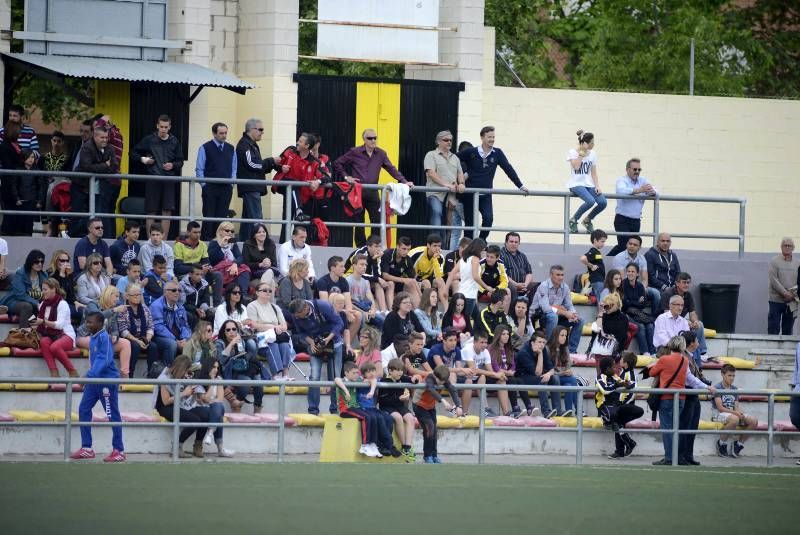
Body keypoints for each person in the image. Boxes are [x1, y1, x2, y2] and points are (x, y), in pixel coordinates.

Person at [334, 128, 414, 246]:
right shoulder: (355, 152)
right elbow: (337, 163)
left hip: (373, 192)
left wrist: (403, 181)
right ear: (364, 140)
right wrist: (347, 177)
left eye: (375, 138)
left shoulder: (381, 153)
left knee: (377, 220)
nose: (373, 140)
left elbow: (391, 168)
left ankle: (374, 246)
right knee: (359, 222)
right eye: (369, 138)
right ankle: (360, 248)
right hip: (358, 192)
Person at [646, 335, 713, 465]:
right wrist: (707, 387)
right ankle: (676, 456)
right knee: (676, 428)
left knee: (667, 429)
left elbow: (652, 373)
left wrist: (653, 365)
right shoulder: (685, 361)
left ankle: (670, 458)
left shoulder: (664, 359)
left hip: (666, 397)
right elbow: (692, 380)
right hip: (681, 399)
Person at [69, 311, 126, 463]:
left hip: (106, 382)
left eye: (91, 322)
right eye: (86, 322)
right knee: (83, 409)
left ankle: (119, 450)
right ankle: (87, 448)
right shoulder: (94, 338)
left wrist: (87, 377)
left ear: (100, 324)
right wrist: (90, 378)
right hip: (95, 382)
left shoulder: (104, 338)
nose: (88, 324)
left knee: (112, 414)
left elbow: (104, 360)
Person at [457, 126, 528, 240]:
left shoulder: (497, 153)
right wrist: (462, 174)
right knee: (469, 224)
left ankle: (481, 242)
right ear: (482, 137)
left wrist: (520, 185)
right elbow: (454, 159)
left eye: (493, 137)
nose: (492, 139)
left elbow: (508, 169)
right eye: (489, 137)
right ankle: (467, 250)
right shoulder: (472, 152)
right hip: (470, 194)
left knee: (488, 219)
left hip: (485, 195)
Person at [131, 114, 184, 238]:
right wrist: (144, 159)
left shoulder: (175, 141)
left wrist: (173, 165)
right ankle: (151, 240)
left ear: (170, 127)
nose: (163, 129)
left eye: (166, 127)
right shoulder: (149, 139)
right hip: (153, 178)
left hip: (168, 179)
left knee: (167, 210)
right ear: (157, 126)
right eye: (161, 127)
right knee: (151, 210)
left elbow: (180, 161)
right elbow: (132, 153)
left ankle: (163, 241)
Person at [289, 298, 344, 415]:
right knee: (314, 377)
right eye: (295, 316)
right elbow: (300, 332)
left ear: (305, 308)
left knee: (335, 377)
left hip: (334, 342)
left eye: (299, 315)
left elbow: (339, 323)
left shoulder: (323, 306)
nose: (297, 318)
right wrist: (312, 342)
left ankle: (335, 409)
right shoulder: (295, 315)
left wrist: (328, 338)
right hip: (315, 344)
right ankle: (313, 410)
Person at [153, 355, 210, 458]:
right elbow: (166, 402)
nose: (186, 373)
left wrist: (193, 394)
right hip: (165, 408)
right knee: (195, 421)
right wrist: (184, 393)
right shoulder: (164, 377)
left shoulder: (181, 376)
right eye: (186, 370)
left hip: (180, 404)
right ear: (181, 368)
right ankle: (176, 447)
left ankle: (198, 445)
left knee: (206, 414)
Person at [235, 118, 280, 242]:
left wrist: (273, 165)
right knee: (256, 218)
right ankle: (260, 243)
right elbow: (252, 164)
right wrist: (271, 161)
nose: (262, 132)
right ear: (251, 129)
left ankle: (243, 243)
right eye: (260, 129)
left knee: (247, 219)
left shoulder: (251, 144)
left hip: (252, 186)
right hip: (251, 187)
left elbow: (257, 166)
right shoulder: (245, 144)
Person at [76, 286, 132, 377]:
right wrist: (113, 310)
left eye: (118, 297)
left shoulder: (113, 308)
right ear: (109, 295)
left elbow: (115, 329)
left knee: (126, 343)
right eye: (116, 296)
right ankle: (93, 374)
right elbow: (96, 318)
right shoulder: (92, 304)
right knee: (99, 340)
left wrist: (115, 335)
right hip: (84, 337)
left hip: (104, 339)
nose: (117, 299)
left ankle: (125, 375)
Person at [596, 355, 643, 459]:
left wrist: (627, 384)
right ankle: (625, 446)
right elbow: (605, 390)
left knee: (639, 411)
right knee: (616, 418)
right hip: (604, 406)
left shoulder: (615, 376)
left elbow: (627, 384)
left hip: (616, 406)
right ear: (607, 368)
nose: (615, 368)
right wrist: (617, 385)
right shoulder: (600, 377)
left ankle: (624, 448)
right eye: (613, 367)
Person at [413, 365, 463, 463]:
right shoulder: (430, 378)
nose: (442, 383)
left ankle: (434, 455)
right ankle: (427, 455)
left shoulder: (443, 379)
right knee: (429, 429)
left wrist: (458, 406)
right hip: (419, 406)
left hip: (430, 407)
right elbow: (431, 389)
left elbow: (452, 390)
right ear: (435, 376)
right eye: (440, 381)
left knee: (434, 430)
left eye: (444, 381)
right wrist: (443, 401)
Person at [247, 280, 296, 380]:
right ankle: (276, 374)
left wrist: (278, 328)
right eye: (265, 290)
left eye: (270, 290)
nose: (268, 292)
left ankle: (285, 373)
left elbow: (284, 325)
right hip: (261, 338)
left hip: (276, 335)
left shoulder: (275, 307)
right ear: (257, 292)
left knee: (284, 344)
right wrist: (273, 327)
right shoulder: (252, 306)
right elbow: (254, 325)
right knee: (272, 345)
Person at [424, 130, 465, 250]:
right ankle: (434, 248)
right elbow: (431, 173)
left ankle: (445, 249)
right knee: (436, 217)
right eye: (446, 140)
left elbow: (460, 173)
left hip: (451, 195)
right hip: (435, 193)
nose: (449, 142)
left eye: (451, 140)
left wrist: (461, 183)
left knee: (451, 224)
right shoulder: (431, 155)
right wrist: (446, 184)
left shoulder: (455, 158)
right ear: (438, 142)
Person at [196, 122, 237, 240]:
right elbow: (199, 169)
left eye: (225, 133)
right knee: (208, 217)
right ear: (214, 133)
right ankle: (206, 243)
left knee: (221, 218)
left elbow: (234, 168)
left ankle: (219, 243)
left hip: (226, 188)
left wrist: (231, 184)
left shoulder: (230, 148)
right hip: (210, 188)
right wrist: (205, 186)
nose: (224, 136)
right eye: (221, 133)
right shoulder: (205, 147)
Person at [609, 158, 657, 257]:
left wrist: (652, 192)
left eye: (639, 170)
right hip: (622, 219)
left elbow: (656, 191)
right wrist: (639, 190)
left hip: (636, 220)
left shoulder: (643, 180)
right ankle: (607, 259)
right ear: (627, 169)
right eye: (634, 169)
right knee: (624, 245)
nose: (637, 172)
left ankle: (608, 259)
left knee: (633, 246)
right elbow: (622, 191)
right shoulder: (621, 180)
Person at [78, 126, 120, 239]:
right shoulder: (87, 147)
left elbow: (115, 166)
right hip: (82, 186)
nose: (105, 140)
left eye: (106, 137)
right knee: (84, 214)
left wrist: (98, 167)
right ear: (95, 136)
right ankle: (76, 234)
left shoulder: (110, 148)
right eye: (102, 137)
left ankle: (106, 238)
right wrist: (105, 165)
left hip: (102, 186)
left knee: (103, 213)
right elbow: (86, 167)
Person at [335, 361, 382, 458]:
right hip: (345, 409)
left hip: (355, 408)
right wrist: (346, 390)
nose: (357, 375)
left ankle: (372, 444)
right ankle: (364, 445)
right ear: (346, 373)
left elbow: (373, 380)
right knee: (365, 417)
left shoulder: (358, 380)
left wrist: (372, 391)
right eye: (354, 373)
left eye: (357, 372)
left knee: (372, 416)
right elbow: (336, 379)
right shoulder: (343, 380)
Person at [216, 319, 265, 413]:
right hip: (229, 372)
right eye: (228, 330)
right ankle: (237, 404)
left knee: (258, 382)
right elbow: (221, 361)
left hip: (242, 369)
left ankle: (257, 408)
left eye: (234, 329)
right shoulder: (220, 343)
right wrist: (231, 343)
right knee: (245, 382)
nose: (231, 332)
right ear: (224, 332)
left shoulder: (241, 341)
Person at [533, 265, 584, 353]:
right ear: (551, 275)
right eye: (558, 275)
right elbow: (546, 308)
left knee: (580, 320)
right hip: (542, 317)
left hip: (558, 316)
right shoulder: (543, 286)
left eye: (562, 275)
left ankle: (571, 351)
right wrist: (564, 312)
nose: (560, 277)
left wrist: (573, 314)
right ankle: (549, 348)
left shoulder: (565, 287)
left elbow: (569, 305)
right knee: (552, 316)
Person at [660, 272, 708, 365]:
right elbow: (667, 314)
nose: (687, 285)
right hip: (667, 322)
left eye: (688, 283)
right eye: (684, 282)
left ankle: (701, 352)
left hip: (681, 321)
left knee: (700, 325)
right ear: (677, 283)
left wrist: (695, 321)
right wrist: (685, 322)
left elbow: (692, 313)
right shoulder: (668, 293)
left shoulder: (688, 295)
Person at [34, 278, 78, 378]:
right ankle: (54, 373)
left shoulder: (63, 304)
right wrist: (34, 324)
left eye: (45, 289)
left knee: (54, 347)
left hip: (65, 335)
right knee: (44, 342)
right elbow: (40, 323)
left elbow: (60, 325)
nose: (43, 292)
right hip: (50, 335)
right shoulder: (42, 304)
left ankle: (72, 372)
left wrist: (44, 322)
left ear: (53, 289)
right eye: (42, 289)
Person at [712, 363, 758, 458]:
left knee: (754, 421)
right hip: (718, 414)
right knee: (734, 419)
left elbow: (736, 407)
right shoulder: (717, 388)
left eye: (733, 376)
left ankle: (738, 444)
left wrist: (740, 413)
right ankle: (721, 443)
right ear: (722, 374)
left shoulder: (734, 389)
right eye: (729, 375)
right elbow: (720, 408)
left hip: (732, 414)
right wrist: (736, 414)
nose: (732, 378)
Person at [174, 220, 222, 306]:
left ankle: (216, 306)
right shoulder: (179, 245)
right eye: (195, 232)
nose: (198, 235)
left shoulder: (202, 244)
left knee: (217, 275)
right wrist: (196, 269)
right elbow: (178, 267)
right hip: (186, 274)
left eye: (199, 232)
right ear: (188, 233)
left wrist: (208, 268)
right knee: (198, 275)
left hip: (201, 273)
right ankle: (196, 306)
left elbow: (206, 262)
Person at [567, 129, 606, 233]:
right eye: (591, 142)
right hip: (576, 183)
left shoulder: (593, 154)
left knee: (602, 202)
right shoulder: (572, 152)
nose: (593, 144)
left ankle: (588, 220)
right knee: (590, 201)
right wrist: (581, 154)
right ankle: (574, 219)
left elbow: (593, 172)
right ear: (585, 143)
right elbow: (576, 167)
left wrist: (597, 186)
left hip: (588, 184)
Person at [317, 255, 362, 346]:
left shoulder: (343, 281)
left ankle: (345, 345)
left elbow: (348, 302)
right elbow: (325, 305)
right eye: (341, 266)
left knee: (358, 315)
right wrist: (344, 311)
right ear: (333, 268)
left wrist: (348, 311)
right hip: (326, 312)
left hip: (341, 310)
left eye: (344, 266)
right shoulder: (323, 281)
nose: (344, 268)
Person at [194, 354, 234, 457]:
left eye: (217, 367)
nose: (216, 370)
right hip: (201, 408)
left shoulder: (219, 379)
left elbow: (220, 399)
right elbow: (206, 399)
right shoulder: (199, 380)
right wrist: (212, 382)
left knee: (218, 407)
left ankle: (210, 432)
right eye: (213, 367)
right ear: (208, 367)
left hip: (214, 407)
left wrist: (211, 400)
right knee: (219, 414)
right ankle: (220, 449)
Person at [515, 331, 561, 418]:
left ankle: (558, 410)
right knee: (542, 380)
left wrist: (548, 374)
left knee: (555, 378)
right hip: (523, 377)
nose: (542, 345)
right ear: (532, 342)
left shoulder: (542, 349)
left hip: (536, 376)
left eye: (543, 342)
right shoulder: (523, 352)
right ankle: (546, 411)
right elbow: (538, 373)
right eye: (539, 342)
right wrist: (540, 354)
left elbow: (552, 369)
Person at [379, 357, 417, 460]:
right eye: (397, 370)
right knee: (398, 418)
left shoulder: (402, 378)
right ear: (390, 371)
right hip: (387, 406)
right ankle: (404, 445)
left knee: (410, 418)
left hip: (399, 406)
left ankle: (407, 447)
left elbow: (412, 380)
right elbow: (382, 400)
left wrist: (414, 378)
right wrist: (398, 398)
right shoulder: (384, 381)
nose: (400, 373)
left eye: (401, 370)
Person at [487, 326, 529, 417]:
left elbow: (513, 366)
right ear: (498, 335)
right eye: (503, 334)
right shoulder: (491, 348)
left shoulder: (509, 349)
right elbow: (495, 367)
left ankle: (529, 407)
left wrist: (511, 371)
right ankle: (515, 408)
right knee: (512, 380)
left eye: (507, 334)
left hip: (507, 375)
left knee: (520, 381)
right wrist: (508, 372)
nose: (506, 336)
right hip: (495, 377)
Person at [612, 235, 661, 313]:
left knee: (656, 293)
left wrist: (642, 290)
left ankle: (656, 318)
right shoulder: (619, 258)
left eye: (635, 245)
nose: (632, 246)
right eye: (630, 244)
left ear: (639, 247)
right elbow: (621, 280)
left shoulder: (642, 258)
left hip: (638, 287)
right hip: (623, 288)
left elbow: (645, 279)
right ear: (626, 244)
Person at [118, 283, 157, 378]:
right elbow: (123, 330)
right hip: (130, 339)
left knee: (153, 347)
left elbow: (151, 326)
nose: (138, 297)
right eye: (135, 295)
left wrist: (147, 340)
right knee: (135, 346)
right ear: (127, 296)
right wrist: (137, 341)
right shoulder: (123, 309)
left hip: (143, 337)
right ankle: (130, 375)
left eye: (139, 294)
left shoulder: (145, 309)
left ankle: (151, 376)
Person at [345, 234, 391, 312]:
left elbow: (377, 275)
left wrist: (374, 260)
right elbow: (358, 272)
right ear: (369, 246)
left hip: (364, 278)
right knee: (376, 281)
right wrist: (377, 278)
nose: (378, 249)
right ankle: (373, 310)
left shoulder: (376, 255)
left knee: (379, 284)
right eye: (376, 246)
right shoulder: (361, 253)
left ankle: (384, 312)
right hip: (349, 276)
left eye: (379, 246)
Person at [0, 249, 47, 327]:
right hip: (15, 302)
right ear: (30, 262)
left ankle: (36, 333)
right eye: (36, 262)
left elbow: (47, 292)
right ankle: (23, 334)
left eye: (41, 262)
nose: (39, 264)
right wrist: (37, 304)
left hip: (34, 305)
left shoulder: (43, 275)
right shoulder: (21, 273)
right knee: (27, 306)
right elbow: (20, 295)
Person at [151, 280, 192, 366]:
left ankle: (185, 372)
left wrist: (185, 338)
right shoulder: (156, 306)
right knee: (172, 344)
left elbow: (185, 326)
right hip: (158, 337)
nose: (177, 293)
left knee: (191, 343)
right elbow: (158, 328)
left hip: (177, 338)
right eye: (174, 290)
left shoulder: (180, 307)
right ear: (165, 292)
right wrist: (175, 340)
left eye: (179, 290)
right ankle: (167, 372)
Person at [426, 328, 474, 402]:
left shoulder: (457, 350)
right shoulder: (435, 349)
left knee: (469, 381)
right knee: (452, 374)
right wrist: (461, 369)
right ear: (444, 341)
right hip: (434, 377)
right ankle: (456, 406)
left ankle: (463, 412)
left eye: (455, 340)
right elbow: (442, 369)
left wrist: (468, 372)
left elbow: (459, 370)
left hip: (447, 378)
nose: (454, 343)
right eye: (450, 340)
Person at [5, 150, 44, 236]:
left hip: (32, 201)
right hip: (21, 201)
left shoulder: (37, 170)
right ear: (23, 158)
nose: (31, 159)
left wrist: (39, 201)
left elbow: (40, 186)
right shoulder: (18, 169)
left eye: (33, 157)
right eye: (29, 157)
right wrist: (17, 198)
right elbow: (14, 185)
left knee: (29, 223)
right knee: (19, 223)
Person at [621, 263, 656, 355]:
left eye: (633, 271)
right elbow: (624, 304)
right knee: (640, 327)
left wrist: (632, 301)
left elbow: (643, 304)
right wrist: (637, 301)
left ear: (637, 274)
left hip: (638, 313)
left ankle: (653, 352)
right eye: (628, 271)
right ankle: (645, 352)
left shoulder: (640, 286)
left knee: (650, 326)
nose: (630, 273)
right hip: (627, 314)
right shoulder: (623, 284)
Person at [208, 221, 251, 292]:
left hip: (232, 269)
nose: (230, 233)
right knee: (241, 271)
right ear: (220, 231)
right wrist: (221, 245)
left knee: (244, 271)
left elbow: (240, 257)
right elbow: (212, 259)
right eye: (227, 230)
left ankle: (243, 295)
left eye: (232, 231)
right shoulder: (214, 243)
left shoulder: (232, 243)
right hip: (219, 270)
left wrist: (235, 264)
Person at [768, 238, 799, 335]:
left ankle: (787, 350)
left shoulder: (798, 263)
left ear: (793, 248)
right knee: (773, 327)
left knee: (788, 330)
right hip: (776, 300)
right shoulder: (774, 261)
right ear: (781, 247)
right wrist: (785, 293)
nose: (787, 247)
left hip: (791, 301)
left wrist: (792, 295)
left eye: (789, 246)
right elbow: (773, 280)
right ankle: (771, 349)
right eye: (785, 245)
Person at [408, 233, 448, 307]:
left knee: (440, 281)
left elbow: (439, 276)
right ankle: (428, 309)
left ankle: (447, 310)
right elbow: (408, 271)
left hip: (427, 279)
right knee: (426, 283)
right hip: (413, 279)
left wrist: (435, 259)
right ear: (428, 245)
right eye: (435, 246)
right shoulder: (416, 253)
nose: (437, 248)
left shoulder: (440, 257)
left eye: (439, 246)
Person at [346, 254, 384, 329]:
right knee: (362, 318)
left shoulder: (366, 282)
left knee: (383, 321)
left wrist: (373, 310)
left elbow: (371, 299)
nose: (364, 267)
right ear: (354, 265)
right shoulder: (347, 281)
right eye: (361, 264)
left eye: (365, 265)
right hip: (355, 310)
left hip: (364, 308)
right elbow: (348, 303)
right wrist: (363, 312)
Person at [380, 236, 420, 308]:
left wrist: (421, 295)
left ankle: (419, 311)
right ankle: (391, 311)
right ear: (397, 246)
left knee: (412, 283)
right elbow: (384, 275)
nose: (406, 252)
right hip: (384, 284)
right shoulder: (387, 254)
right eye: (404, 249)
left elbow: (413, 277)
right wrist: (403, 279)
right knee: (391, 283)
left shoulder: (407, 259)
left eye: (408, 249)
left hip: (398, 285)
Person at [453, 237, 487, 318]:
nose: (484, 252)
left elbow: (453, 274)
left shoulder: (466, 259)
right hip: (469, 295)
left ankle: (478, 330)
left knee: (477, 318)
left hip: (467, 292)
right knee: (465, 319)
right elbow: (475, 276)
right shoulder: (474, 259)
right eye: (483, 250)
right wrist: (487, 287)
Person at [499, 232, 536, 303]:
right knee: (511, 287)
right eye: (511, 241)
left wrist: (525, 285)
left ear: (519, 243)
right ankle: (513, 312)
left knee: (538, 286)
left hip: (523, 285)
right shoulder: (501, 255)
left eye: (516, 242)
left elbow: (529, 273)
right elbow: (503, 275)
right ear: (506, 242)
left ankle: (530, 313)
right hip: (509, 285)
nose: (514, 244)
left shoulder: (522, 256)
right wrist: (516, 285)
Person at [550, 326, 577, 417]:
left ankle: (570, 411)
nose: (564, 337)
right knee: (563, 379)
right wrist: (562, 373)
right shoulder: (548, 349)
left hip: (562, 377)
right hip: (552, 378)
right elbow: (549, 371)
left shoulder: (565, 348)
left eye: (566, 335)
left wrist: (568, 371)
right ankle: (575, 410)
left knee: (571, 382)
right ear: (556, 335)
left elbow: (568, 366)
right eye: (562, 335)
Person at [46, 249, 80, 321]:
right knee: (82, 312)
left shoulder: (68, 274)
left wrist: (75, 302)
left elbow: (71, 293)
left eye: (67, 261)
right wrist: (61, 274)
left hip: (69, 303)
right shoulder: (50, 273)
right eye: (62, 261)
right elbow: (57, 294)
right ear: (56, 261)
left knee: (87, 311)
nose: (65, 263)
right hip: (57, 304)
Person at [179, 264, 214, 329]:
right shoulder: (182, 285)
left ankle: (209, 335)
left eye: (201, 274)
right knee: (192, 317)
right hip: (188, 309)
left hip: (200, 309)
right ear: (190, 274)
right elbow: (182, 303)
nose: (200, 277)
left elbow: (206, 300)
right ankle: (192, 336)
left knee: (210, 314)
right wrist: (195, 309)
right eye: (197, 274)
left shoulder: (204, 284)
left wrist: (202, 310)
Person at [580, 229, 608, 300]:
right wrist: (591, 265)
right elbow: (582, 258)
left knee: (601, 300)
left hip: (599, 280)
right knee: (600, 300)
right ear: (595, 240)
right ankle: (600, 311)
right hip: (597, 280)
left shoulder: (597, 252)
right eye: (602, 241)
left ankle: (600, 311)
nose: (603, 244)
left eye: (604, 242)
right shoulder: (593, 251)